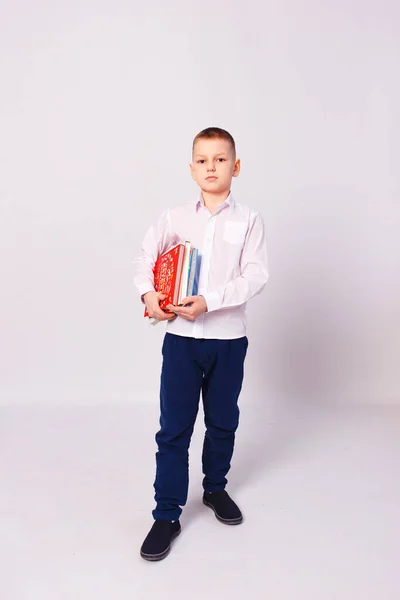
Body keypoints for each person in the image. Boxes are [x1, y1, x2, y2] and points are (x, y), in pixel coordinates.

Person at [133, 127, 269, 561]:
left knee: (223, 421)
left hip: (228, 340)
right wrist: (150, 295)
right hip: (180, 342)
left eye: (221, 159)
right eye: (203, 160)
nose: (212, 167)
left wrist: (210, 301)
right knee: (174, 429)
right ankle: (166, 514)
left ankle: (215, 489)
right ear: (192, 168)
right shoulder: (174, 217)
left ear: (237, 166)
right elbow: (144, 258)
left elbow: (255, 276)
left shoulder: (248, 220)